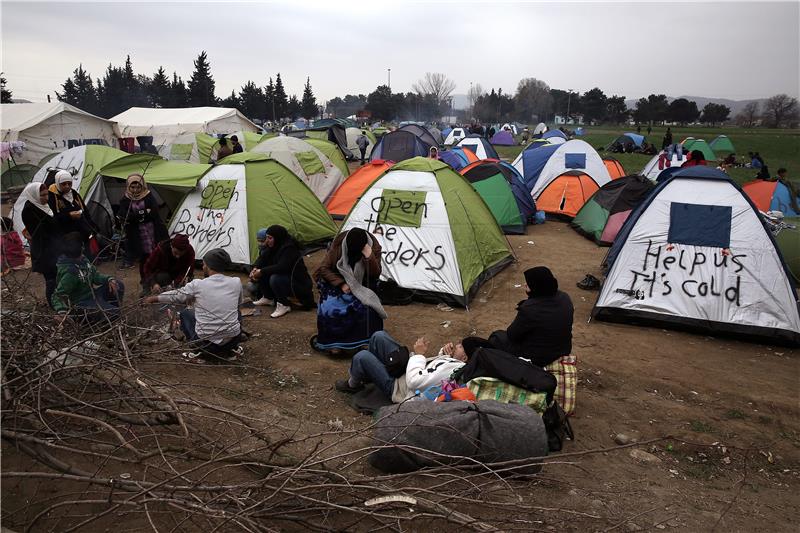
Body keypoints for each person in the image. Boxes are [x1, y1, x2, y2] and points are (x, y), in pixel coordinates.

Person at [462, 267, 573, 367]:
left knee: (497, 337)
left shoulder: (530, 308)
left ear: (536, 288)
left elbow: (512, 334)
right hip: (563, 349)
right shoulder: (565, 297)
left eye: (528, 285)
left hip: (539, 357)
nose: (525, 285)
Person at [145, 248, 243, 363]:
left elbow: (177, 295)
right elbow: (238, 304)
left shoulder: (198, 284)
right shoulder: (236, 282)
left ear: (209, 266)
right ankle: (232, 349)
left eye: (204, 264)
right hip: (232, 339)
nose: (203, 267)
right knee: (237, 312)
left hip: (205, 343)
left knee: (186, 313)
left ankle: (198, 352)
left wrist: (155, 298)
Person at [334, 331, 469, 401]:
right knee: (378, 337)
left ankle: (353, 385)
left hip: (399, 388)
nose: (456, 345)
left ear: (465, 358)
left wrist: (418, 355)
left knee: (362, 356)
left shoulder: (452, 370)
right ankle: (370, 373)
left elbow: (415, 382)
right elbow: (434, 368)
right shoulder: (454, 364)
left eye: (461, 346)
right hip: (405, 371)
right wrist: (444, 355)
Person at [314, 228, 386, 353]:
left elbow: (375, 274)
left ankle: (364, 341)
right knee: (330, 306)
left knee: (368, 308)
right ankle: (334, 343)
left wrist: (369, 257)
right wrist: (341, 284)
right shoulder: (338, 245)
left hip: (362, 284)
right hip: (338, 283)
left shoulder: (373, 247)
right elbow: (323, 269)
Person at [52, 234, 124, 324]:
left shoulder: (83, 260)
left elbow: (95, 276)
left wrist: (109, 279)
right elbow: (57, 295)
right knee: (113, 313)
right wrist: (61, 311)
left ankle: (111, 313)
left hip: (93, 295)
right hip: (82, 304)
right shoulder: (70, 272)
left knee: (118, 285)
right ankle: (105, 318)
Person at [247, 225, 315, 318]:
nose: (267, 241)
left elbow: (282, 267)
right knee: (263, 271)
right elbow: (262, 258)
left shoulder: (289, 248)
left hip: (298, 283)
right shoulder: (274, 246)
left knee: (274, 278)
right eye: (266, 237)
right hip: (286, 279)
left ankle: (284, 304)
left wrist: (261, 271)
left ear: (278, 237)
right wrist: (255, 268)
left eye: (270, 238)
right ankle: (268, 298)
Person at [117, 174, 168, 273]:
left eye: (138, 187)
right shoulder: (126, 199)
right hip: (137, 231)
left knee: (154, 248)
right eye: (132, 187)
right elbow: (124, 215)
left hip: (151, 228)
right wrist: (143, 213)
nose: (135, 190)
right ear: (128, 186)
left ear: (142, 186)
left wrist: (135, 216)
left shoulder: (148, 195)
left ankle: (155, 266)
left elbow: (154, 211)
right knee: (143, 253)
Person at [20, 183, 59, 305]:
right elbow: (40, 233)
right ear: (35, 195)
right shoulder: (29, 210)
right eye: (42, 195)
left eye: (47, 194)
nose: (46, 197)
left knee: (58, 276)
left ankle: (60, 302)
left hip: (55, 247)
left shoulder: (46, 205)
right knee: (51, 278)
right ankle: (53, 304)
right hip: (44, 249)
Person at [48, 170, 95, 251]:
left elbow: (84, 210)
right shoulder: (52, 197)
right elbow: (52, 217)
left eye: (69, 183)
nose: (67, 186)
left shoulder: (73, 193)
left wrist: (91, 226)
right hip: (66, 234)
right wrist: (69, 216)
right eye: (63, 184)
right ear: (57, 183)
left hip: (81, 231)